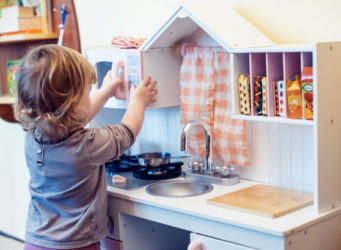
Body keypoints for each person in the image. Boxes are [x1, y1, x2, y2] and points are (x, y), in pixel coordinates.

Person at [14, 44, 157, 250]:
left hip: (35, 241)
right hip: (76, 245)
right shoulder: (86, 146)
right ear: (72, 104)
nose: (90, 95)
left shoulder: (33, 136)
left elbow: (71, 120)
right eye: (87, 91)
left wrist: (105, 92)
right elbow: (127, 131)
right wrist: (138, 101)